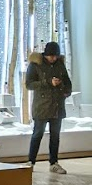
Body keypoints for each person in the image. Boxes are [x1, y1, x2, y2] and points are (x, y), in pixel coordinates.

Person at [26, 41, 72, 174]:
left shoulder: (60, 64)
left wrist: (66, 91)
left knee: (55, 135)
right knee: (38, 134)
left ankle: (54, 162)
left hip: (57, 106)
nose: (53, 58)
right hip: (42, 106)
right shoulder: (35, 65)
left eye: (55, 56)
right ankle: (31, 161)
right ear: (45, 55)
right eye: (51, 56)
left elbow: (67, 81)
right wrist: (48, 82)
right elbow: (29, 84)